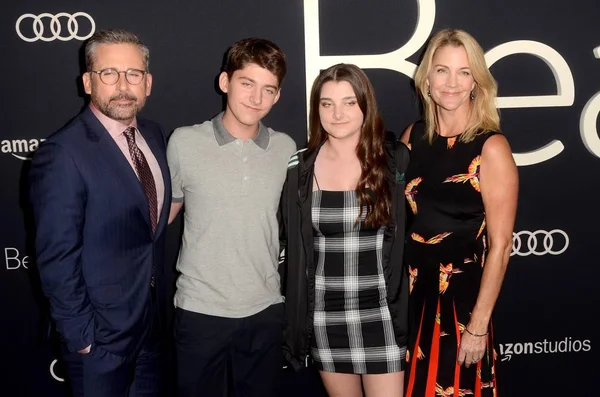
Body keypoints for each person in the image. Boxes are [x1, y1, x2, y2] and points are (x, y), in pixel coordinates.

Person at [29, 29, 170, 397]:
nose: (123, 85)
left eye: (133, 74)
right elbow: (57, 257)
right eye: (109, 73)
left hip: (153, 327)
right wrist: (84, 339)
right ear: (88, 81)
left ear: (148, 83)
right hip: (100, 340)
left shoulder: (154, 136)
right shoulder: (63, 153)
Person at [166, 37, 296, 397]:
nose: (256, 98)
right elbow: (163, 217)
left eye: (268, 89)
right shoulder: (183, 142)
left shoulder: (285, 148)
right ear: (225, 82)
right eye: (247, 83)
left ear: (278, 96)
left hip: (265, 308)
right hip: (199, 309)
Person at [280, 63, 411, 397]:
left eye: (349, 102)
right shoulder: (301, 167)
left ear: (365, 105)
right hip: (325, 318)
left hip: (382, 314)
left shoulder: (394, 160)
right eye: (327, 104)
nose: (337, 113)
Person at [400, 29, 518, 396]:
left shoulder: (491, 147)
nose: (451, 82)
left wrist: (479, 325)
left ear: (476, 83)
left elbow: (500, 245)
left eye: (463, 72)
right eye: (442, 70)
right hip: (410, 300)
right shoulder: (412, 136)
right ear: (427, 80)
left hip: (459, 308)